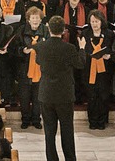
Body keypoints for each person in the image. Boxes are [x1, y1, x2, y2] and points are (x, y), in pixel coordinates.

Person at [35, 15, 85, 160]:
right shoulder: (69, 48)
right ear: (63, 30)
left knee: (49, 132)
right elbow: (80, 64)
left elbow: (38, 61)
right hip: (64, 94)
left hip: (46, 94)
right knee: (67, 130)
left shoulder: (41, 46)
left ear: (48, 29)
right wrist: (81, 48)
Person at [14, 6, 48, 129]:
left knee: (37, 97)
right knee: (24, 96)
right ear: (28, 19)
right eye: (32, 18)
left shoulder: (45, 30)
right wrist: (22, 50)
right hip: (25, 68)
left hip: (40, 69)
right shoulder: (22, 30)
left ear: (41, 19)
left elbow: (49, 46)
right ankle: (25, 119)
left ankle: (36, 119)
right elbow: (15, 47)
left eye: (37, 18)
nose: (35, 20)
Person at [80, 10, 115, 130]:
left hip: (104, 71)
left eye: (97, 21)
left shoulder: (109, 34)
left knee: (103, 97)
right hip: (89, 70)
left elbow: (113, 50)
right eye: (92, 21)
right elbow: (81, 51)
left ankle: (102, 121)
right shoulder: (85, 34)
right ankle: (93, 121)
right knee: (92, 97)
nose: (94, 24)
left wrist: (109, 56)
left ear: (101, 22)